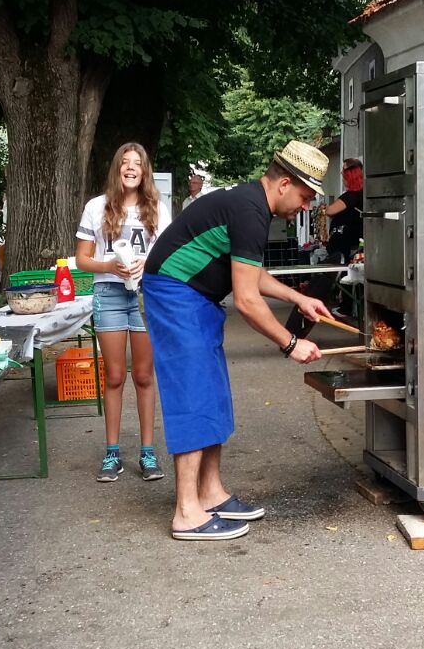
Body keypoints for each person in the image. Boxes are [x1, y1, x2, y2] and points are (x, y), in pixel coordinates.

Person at [142, 140, 331, 541]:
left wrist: (298, 298)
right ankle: (186, 512)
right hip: (176, 294)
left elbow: (249, 272)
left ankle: (210, 493)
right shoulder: (249, 211)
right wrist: (290, 342)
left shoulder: (252, 205)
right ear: (284, 184)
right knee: (194, 394)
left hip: (196, 297)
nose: (305, 206)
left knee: (212, 393)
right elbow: (246, 300)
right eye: (304, 196)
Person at [74, 142, 172, 483]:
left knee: (144, 376)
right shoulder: (96, 206)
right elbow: (82, 259)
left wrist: (149, 262)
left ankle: (148, 453)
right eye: (125, 162)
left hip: (147, 296)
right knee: (114, 376)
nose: (131, 167)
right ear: (117, 169)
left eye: (137, 163)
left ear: (144, 171)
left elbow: (169, 255)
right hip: (109, 294)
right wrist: (109, 266)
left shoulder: (158, 207)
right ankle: (112, 453)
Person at [285, 157, 363, 339]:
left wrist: (323, 208)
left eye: (344, 172)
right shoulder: (360, 196)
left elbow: (330, 211)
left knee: (342, 273)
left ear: (350, 176)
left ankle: (345, 307)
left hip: (344, 244)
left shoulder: (351, 196)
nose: (341, 175)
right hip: (348, 242)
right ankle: (345, 305)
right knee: (347, 275)